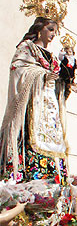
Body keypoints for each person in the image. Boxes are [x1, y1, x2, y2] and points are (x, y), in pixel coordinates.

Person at [0, 17, 72, 182]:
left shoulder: (53, 58)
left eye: (55, 31)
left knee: (54, 142)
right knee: (30, 138)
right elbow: (18, 70)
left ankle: (55, 181)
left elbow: (57, 82)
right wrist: (42, 75)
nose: (53, 34)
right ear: (40, 30)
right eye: (50, 29)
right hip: (32, 105)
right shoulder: (27, 48)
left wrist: (65, 80)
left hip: (49, 108)